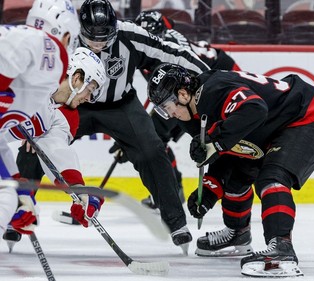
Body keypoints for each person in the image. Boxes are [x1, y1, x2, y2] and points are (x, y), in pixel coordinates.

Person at [147, 63, 314, 277]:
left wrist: (215, 142)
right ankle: (238, 233)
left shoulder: (213, 90)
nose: (169, 113)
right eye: (162, 109)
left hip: (305, 118)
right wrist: (209, 191)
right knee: (237, 178)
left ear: (182, 94)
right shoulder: (190, 114)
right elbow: (230, 153)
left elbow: (255, 109)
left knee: (272, 178)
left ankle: (282, 249)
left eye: (167, 105)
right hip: (270, 130)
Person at [72, 0, 210, 254]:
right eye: (93, 38)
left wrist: (210, 78)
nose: (100, 44)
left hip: (122, 106)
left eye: (106, 37)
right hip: (75, 103)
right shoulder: (66, 36)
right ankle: (19, 210)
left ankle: (175, 223)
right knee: (37, 142)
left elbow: (173, 53)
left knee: (153, 151)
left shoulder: (129, 34)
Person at [130, 10, 242, 209]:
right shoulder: (145, 48)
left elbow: (183, 89)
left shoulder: (171, 47)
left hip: (219, 81)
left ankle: (240, 183)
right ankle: (173, 190)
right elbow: (162, 95)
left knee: (229, 135)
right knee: (154, 136)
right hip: (192, 89)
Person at [2, 46, 106, 249]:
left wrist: (79, 191)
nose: (88, 98)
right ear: (77, 78)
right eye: (90, 89)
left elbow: (56, 150)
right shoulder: (33, 75)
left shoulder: (63, 116)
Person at [0, 0, 80, 242]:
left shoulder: (38, 96)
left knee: (9, 194)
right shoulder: (50, 49)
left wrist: (19, 187)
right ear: (65, 34)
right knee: (5, 196)